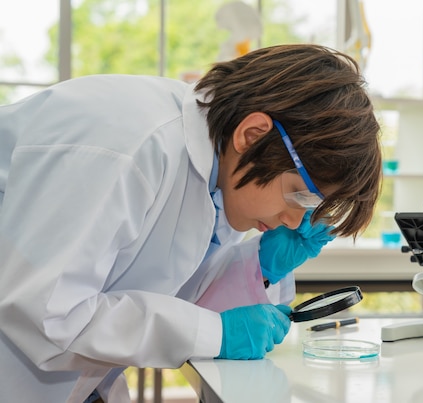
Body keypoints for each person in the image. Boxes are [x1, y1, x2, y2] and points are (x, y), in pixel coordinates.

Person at [0, 44, 382, 402]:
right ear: (251, 135)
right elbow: (48, 315)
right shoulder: (125, 142)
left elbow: (166, 297)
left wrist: (257, 268)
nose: (294, 219)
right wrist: (216, 334)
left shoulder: (219, 177)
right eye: (299, 195)